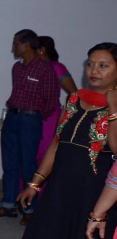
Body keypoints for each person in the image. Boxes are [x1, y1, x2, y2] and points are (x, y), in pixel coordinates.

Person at [0, 43, 117, 239]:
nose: (94, 70)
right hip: (60, 189)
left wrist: (114, 108)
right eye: (90, 64)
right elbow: (56, 144)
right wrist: (35, 184)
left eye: (103, 65)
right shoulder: (75, 99)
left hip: (93, 197)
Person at [0, 29, 59, 225]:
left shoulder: (45, 69)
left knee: (28, 165)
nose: (13, 48)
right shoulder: (17, 68)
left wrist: (34, 116)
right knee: (9, 163)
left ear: (27, 45)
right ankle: (8, 205)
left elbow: (52, 100)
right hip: (12, 117)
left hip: (30, 120)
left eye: (16, 43)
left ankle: (29, 208)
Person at [35, 36, 78, 168]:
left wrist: (68, 116)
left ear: (42, 50)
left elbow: (74, 93)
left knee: (42, 153)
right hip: (30, 116)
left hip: (48, 118)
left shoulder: (56, 67)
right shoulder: (32, 67)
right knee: (26, 154)